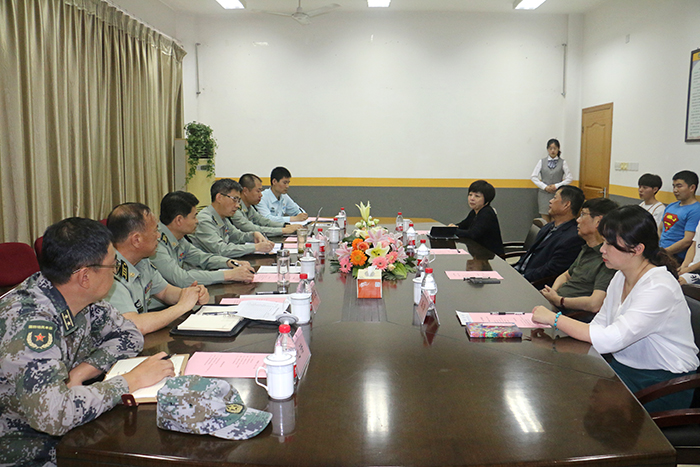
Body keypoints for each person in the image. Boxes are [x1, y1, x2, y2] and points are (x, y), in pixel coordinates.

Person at [0, 218, 175, 466]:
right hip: (26, 448)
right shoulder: (30, 324)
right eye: (113, 265)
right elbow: (54, 415)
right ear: (85, 276)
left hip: (69, 432)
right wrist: (129, 381)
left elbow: (129, 334)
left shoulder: (79, 298)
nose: (116, 272)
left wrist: (81, 372)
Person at [533, 205, 699, 412]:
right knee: (563, 391)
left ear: (637, 249)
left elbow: (611, 339)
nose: (602, 249)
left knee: (574, 404)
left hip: (663, 383)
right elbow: (600, 324)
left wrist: (554, 318)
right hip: (623, 369)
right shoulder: (621, 276)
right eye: (604, 241)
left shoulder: (659, 287)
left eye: (610, 244)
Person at [105, 203, 210, 335]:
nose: (159, 236)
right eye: (155, 230)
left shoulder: (142, 261)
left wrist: (192, 294)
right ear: (136, 240)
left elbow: (165, 292)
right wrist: (182, 306)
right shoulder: (108, 273)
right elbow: (134, 325)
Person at [151, 191, 255, 288]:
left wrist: (228, 262)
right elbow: (182, 279)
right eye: (194, 217)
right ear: (179, 220)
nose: (197, 221)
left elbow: (202, 258)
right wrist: (228, 275)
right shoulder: (156, 243)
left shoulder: (178, 238)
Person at [540, 198, 619, 320]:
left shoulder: (608, 259)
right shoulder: (587, 248)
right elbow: (566, 275)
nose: (578, 220)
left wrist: (559, 301)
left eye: (583, 215)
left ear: (598, 221)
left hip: (568, 316)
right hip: (555, 304)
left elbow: (595, 304)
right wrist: (553, 293)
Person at [514, 185, 585, 285]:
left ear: (566, 205)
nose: (550, 201)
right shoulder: (549, 226)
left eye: (555, 198)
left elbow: (550, 270)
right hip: (521, 273)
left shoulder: (573, 237)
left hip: (534, 283)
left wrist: (522, 277)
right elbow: (530, 253)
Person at [192, 179, 275, 258]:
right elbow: (221, 250)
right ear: (219, 198)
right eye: (234, 199)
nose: (237, 205)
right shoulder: (204, 220)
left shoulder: (223, 217)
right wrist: (255, 247)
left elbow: (236, 236)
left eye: (239, 201)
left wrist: (253, 235)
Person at [447, 180, 504, 256]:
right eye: (470, 195)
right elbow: (463, 225)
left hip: (491, 257)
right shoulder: (475, 211)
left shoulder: (486, 213)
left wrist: (452, 231)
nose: (472, 198)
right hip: (479, 253)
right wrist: (453, 227)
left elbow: (472, 234)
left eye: (477, 196)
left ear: (487, 200)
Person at [232, 173, 300, 236]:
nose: (261, 195)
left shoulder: (249, 207)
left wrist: (285, 225)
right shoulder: (234, 208)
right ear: (245, 191)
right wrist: (283, 230)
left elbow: (262, 221)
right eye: (258, 191)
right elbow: (252, 229)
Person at [659, 170, 700, 261]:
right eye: (674, 186)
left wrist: (664, 253)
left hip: (676, 257)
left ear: (692, 188)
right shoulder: (671, 206)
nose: (675, 190)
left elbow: (688, 240)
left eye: (679, 186)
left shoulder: (696, 210)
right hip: (661, 251)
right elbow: (661, 229)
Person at [530, 138, 573, 222]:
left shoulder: (563, 162)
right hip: (544, 194)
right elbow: (533, 177)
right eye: (550, 148)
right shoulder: (541, 161)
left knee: (555, 218)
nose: (552, 151)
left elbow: (569, 178)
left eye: (555, 148)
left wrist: (556, 186)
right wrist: (544, 187)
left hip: (557, 194)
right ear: (547, 149)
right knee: (544, 220)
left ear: (558, 149)